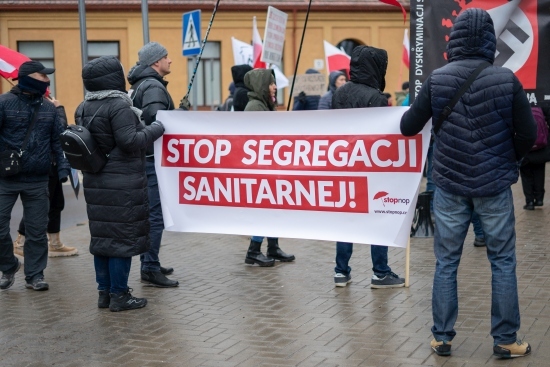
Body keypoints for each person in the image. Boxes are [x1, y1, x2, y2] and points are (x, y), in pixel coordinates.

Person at [400, 8, 536, 358]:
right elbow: (528, 134)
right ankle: (506, 339)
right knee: (502, 261)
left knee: (446, 262)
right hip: (494, 185)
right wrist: (510, 161)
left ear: (455, 37)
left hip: (448, 184)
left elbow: (408, 127)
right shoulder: (507, 80)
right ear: (491, 39)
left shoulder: (438, 78)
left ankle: (442, 337)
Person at [77, 55, 165, 311]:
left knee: (103, 241)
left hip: (96, 181)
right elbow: (131, 141)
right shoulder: (118, 106)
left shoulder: (84, 106)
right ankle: (120, 295)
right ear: (114, 78)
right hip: (122, 183)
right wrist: (157, 128)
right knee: (121, 242)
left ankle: (104, 294)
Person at [331, 45, 405, 289]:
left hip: (343, 167)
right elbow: (383, 138)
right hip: (371, 170)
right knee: (378, 219)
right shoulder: (376, 98)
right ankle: (380, 272)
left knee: (345, 220)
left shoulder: (340, 93)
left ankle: (341, 271)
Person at [0, 60, 70, 291]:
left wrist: (62, 169)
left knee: (37, 232)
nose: (47, 81)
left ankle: (35, 275)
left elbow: (57, 142)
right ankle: (9, 265)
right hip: (6, 177)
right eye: (43, 77)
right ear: (29, 78)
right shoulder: (4, 103)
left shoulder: (49, 108)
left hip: (39, 179)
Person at [127, 41, 178, 288]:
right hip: (151, 160)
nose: (170, 61)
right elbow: (156, 121)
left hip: (145, 159)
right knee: (154, 216)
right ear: (155, 62)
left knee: (152, 215)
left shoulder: (141, 85)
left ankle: (151, 261)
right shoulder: (154, 87)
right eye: (166, 57)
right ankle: (149, 267)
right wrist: (177, 120)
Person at [13, 94, 78, 258]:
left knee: (57, 203)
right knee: (38, 206)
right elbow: (60, 131)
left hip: (55, 163)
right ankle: (20, 242)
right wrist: (58, 109)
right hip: (43, 164)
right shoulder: (37, 109)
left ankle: (55, 243)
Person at [243, 68, 295, 266]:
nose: (275, 87)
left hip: (269, 166)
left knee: (273, 207)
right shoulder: (255, 107)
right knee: (264, 209)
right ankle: (253, 251)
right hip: (260, 169)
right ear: (261, 85)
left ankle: (273, 246)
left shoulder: (264, 105)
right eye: (271, 83)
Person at [519, 106, 549, 210]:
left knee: (526, 176)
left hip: (525, 148)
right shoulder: (542, 103)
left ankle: (530, 202)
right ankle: (539, 199)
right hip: (541, 148)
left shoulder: (519, 104)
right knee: (539, 173)